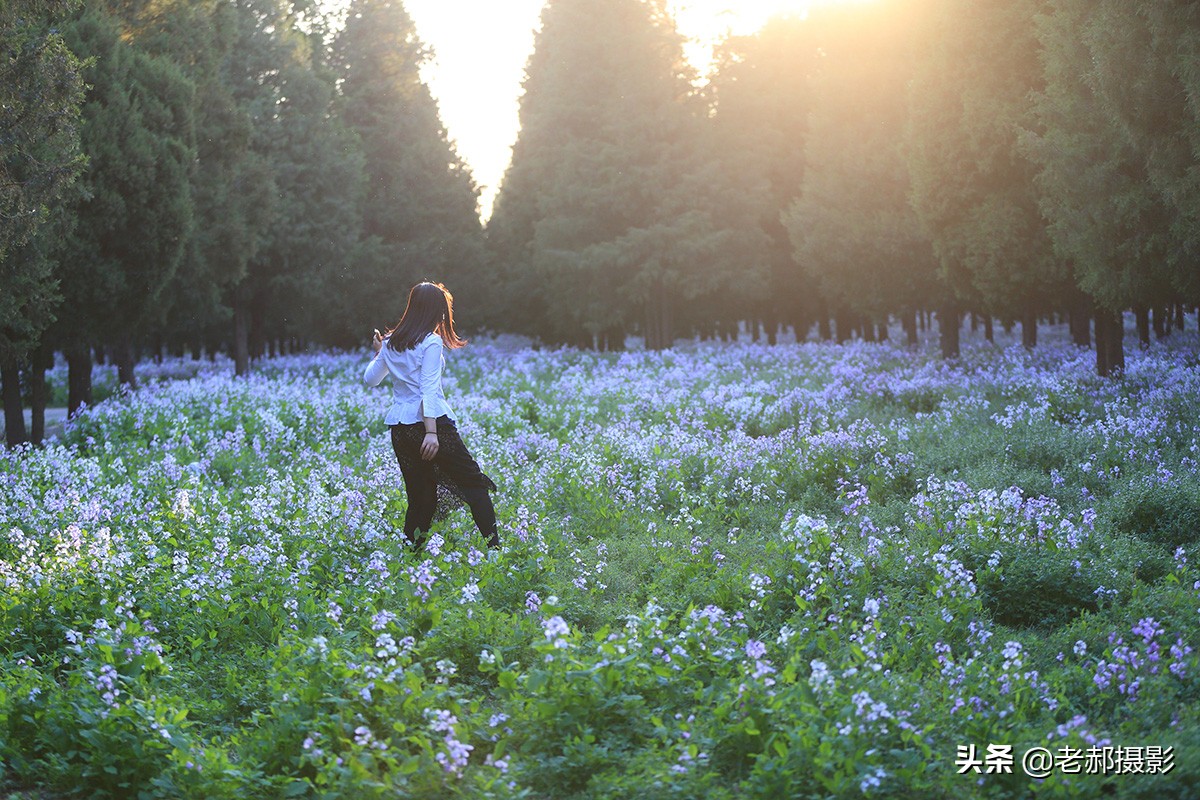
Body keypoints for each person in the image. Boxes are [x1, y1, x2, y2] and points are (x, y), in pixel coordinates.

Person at [364, 281, 499, 552]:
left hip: (401, 430)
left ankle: (409, 559)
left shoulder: (390, 343)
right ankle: (495, 553)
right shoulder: (431, 341)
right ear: (435, 311)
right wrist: (432, 433)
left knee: (421, 497)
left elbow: (370, 379)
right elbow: (428, 390)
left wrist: (380, 353)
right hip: (432, 424)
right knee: (475, 485)